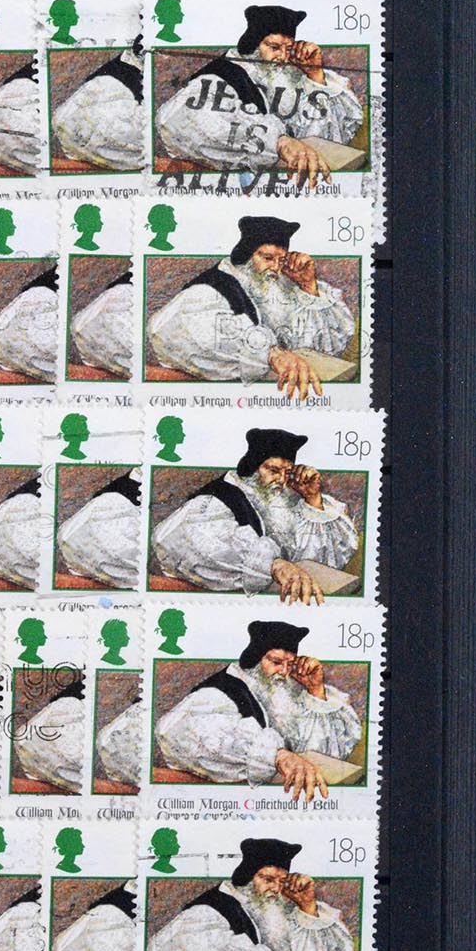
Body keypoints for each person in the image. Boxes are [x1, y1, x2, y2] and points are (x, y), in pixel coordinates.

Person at [147, 216, 355, 401]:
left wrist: (308, 287)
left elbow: (326, 345)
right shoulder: (214, 285)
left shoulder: (278, 285)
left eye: (281, 260)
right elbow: (170, 331)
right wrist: (270, 354)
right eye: (267, 258)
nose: (276, 267)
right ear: (246, 255)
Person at [154, 620, 364, 800]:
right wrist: (277, 756)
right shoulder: (222, 690)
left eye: (290, 664)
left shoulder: (284, 690)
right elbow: (174, 731)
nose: (284, 672)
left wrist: (315, 690)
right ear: (256, 658)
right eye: (276, 662)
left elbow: (321, 752)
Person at [155, 5, 365, 184]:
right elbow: (181, 120)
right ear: (254, 43)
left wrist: (315, 76)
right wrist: (279, 143)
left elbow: (324, 138)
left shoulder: (286, 75)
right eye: (274, 47)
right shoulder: (223, 74)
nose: (282, 57)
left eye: (288, 49)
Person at [146, 836, 354, 951]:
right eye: (267, 879)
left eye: (282, 882)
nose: (276, 889)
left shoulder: (274, 909)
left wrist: (307, 906)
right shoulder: (213, 907)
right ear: (247, 876)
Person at [152, 428, 359, 603]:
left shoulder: (281, 500)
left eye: (287, 473)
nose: (282, 480)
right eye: (273, 470)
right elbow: (188, 541)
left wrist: (313, 499)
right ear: (253, 467)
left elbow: (314, 557)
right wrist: (273, 565)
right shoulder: (220, 496)